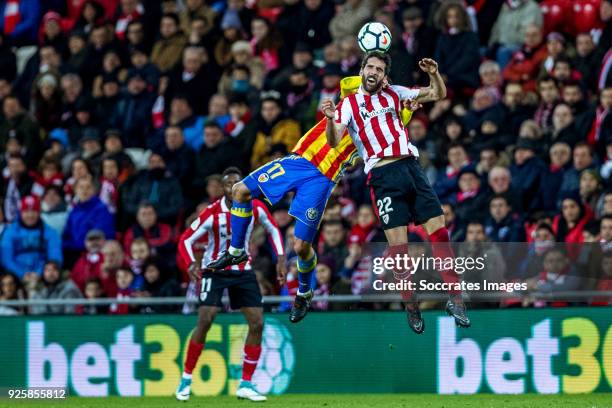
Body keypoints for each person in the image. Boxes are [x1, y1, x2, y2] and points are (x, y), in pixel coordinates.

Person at [207, 74, 418, 325]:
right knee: (240, 190)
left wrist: (406, 106)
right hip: (297, 161)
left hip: (323, 179)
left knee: (300, 248)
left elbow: (398, 123)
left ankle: (305, 292)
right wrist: (378, 78)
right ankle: (237, 250)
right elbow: (348, 83)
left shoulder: (386, 119)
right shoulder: (351, 98)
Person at [322, 53, 469, 333]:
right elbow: (333, 140)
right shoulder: (349, 104)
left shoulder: (395, 93)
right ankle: (410, 303)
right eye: (370, 67)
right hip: (383, 175)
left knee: (439, 230)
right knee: (399, 247)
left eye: (379, 68)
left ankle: (456, 298)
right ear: (362, 70)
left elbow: (438, 93)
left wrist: (434, 73)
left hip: (411, 168)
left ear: (385, 75)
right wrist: (330, 119)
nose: (373, 71)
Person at [175, 167, 284, 402]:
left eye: (238, 182)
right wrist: (191, 264)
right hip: (214, 270)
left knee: (257, 322)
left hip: (242, 270)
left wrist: (281, 258)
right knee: (206, 319)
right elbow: (185, 239)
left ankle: (246, 383)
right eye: (229, 183)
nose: (233, 187)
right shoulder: (212, 213)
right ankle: (186, 377)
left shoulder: (255, 207)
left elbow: (273, 229)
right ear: (223, 188)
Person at [1, 195, 62, 279]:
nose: (30, 215)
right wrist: (22, 274)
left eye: (33, 211)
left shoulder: (50, 232)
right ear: (20, 212)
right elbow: (6, 259)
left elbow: (55, 257)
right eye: (26, 211)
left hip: (43, 277)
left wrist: (40, 273)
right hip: (16, 278)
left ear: (39, 212)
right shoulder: (10, 232)